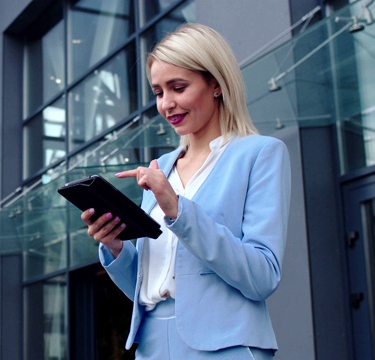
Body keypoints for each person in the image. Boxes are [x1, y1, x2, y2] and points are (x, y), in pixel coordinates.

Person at [80, 23, 291, 359]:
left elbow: (262, 276)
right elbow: (148, 283)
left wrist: (178, 210)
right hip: (151, 344)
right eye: (159, 92)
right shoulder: (159, 168)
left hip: (226, 345)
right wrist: (116, 247)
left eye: (178, 87)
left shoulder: (260, 154)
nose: (167, 104)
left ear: (217, 85)